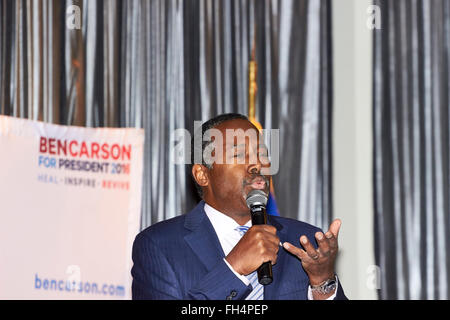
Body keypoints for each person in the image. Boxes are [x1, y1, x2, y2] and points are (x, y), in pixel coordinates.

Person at [131, 113, 346, 300]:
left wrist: (322, 284)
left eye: (261, 155)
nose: (257, 165)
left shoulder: (304, 241)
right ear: (202, 174)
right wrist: (234, 269)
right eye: (239, 155)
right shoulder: (159, 246)